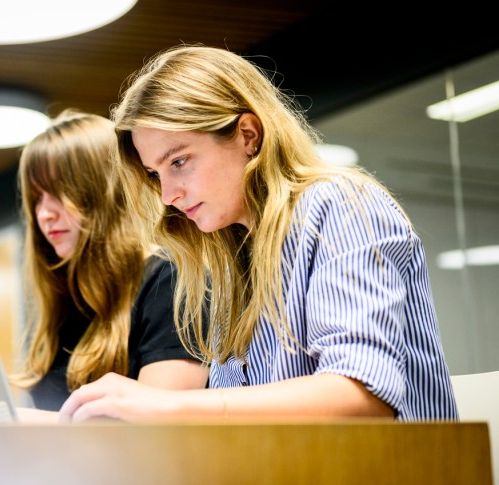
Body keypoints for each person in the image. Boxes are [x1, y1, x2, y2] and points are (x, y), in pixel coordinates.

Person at [59, 45, 459, 423]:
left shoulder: (343, 204)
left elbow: (361, 395)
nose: (168, 194)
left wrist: (168, 406)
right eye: (155, 175)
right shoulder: (231, 252)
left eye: (179, 161)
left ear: (248, 135)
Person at [9, 108, 209, 415]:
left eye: (59, 193)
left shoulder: (168, 280)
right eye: (37, 198)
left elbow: (158, 433)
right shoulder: (66, 298)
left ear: (103, 191)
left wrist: (16, 423)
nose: (44, 213)